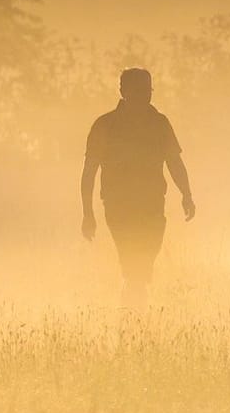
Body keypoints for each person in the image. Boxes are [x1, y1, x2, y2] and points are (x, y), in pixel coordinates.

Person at [80, 68, 195, 307]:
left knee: (143, 265)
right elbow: (89, 170)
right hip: (118, 206)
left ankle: (134, 315)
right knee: (133, 266)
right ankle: (134, 316)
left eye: (147, 90)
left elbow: (174, 161)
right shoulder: (105, 126)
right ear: (123, 91)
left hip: (152, 206)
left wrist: (187, 194)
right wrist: (88, 213)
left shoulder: (160, 123)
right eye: (137, 90)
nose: (144, 95)